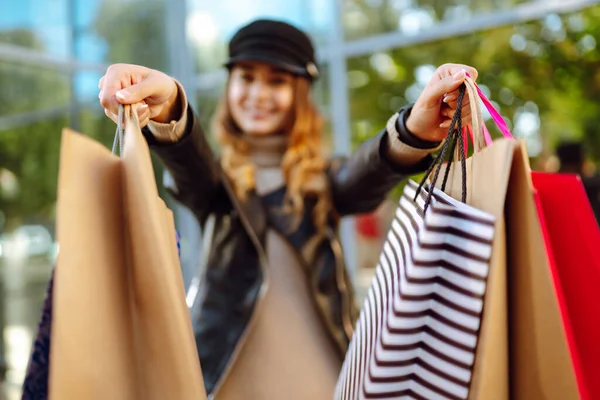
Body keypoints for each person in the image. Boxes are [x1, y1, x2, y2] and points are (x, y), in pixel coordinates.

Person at [98, 18, 477, 399]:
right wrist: (170, 107)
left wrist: (415, 130)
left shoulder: (322, 180)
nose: (259, 93)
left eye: (277, 81)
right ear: (230, 86)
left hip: (325, 381)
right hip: (225, 383)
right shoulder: (217, 185)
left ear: (300, 93)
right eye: (247, 77)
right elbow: (190, 164)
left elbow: (366, 172)